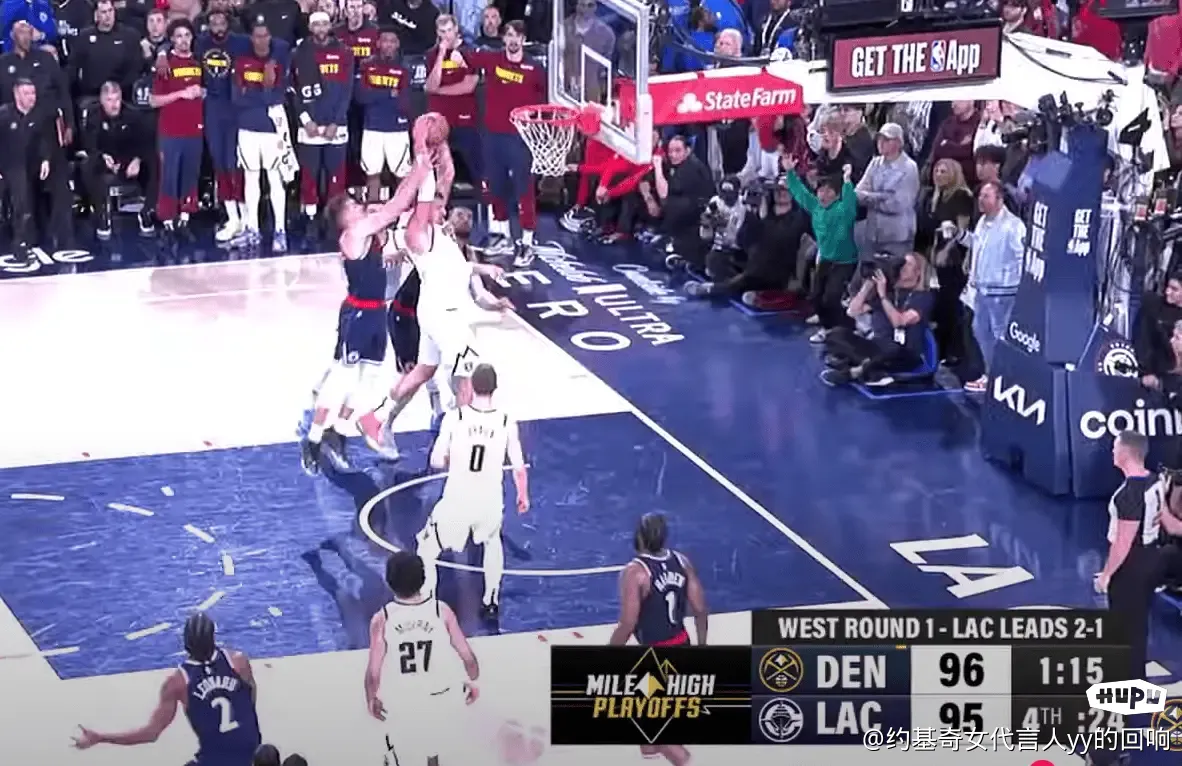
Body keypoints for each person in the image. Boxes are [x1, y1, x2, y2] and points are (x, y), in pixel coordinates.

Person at [301, 154, 438, 474]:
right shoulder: (353, 233)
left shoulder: (367, 231)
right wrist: (418, 171)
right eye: (352, 205)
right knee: (343, 377)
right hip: (358, 315)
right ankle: (314, 439)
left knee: (367, 380)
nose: (358, 204)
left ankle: (339, 432)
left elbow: (391, 210)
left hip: (377, 313)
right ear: (343, 218)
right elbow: (395, 207)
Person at [71, 613, 262, 765]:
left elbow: (151, 733)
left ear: (186, 642)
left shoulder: (178, 682)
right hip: (251, 753)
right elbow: (250, 697)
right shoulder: (238, 662)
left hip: (214, 760)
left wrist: (101, 737)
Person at [415, 363, 528, 617]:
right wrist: (523, 495)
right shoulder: (506, 421)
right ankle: (491, 599)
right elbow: (519, 467)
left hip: (458, 500)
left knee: (427, 547)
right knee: (492, 542)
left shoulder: (455, 418)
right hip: (489, 501)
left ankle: (428, 600)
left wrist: (451, 459)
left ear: (472, 386)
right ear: (495, 388)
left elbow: (436, 461)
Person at [1088, 430, 1166, 766]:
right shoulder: (1156, 481)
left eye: (1114, 446)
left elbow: (1122, 542)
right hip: (1151, 561)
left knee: (1122, 639)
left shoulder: (1127, 494)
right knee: (1138, 630)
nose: (1111, 451)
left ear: (1126, 453)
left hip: (1131, 569)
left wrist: (1107, 575)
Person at [608, 512, 708, 766]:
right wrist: (702, 645)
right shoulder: (682, 561)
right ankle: (650, 749)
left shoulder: (635, 572)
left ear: (639, 536)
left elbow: (628, 623)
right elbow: (699, 608)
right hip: (681, 643)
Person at [365, 551, 480, 766]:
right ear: (424, 578)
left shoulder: (382, 619)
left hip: (403, 699)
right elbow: (468, 657)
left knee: (396, 749)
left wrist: (372, 698)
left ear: (389, 581)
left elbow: (374, 673)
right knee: (433, 749)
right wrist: (472, 680)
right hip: (439, 696)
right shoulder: (441, 610)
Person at [476, 20, 545, 264]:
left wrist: (534, 116)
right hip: (493, 135)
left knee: (523, 189)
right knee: (496, 187)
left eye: (518, 36)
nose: (513, 40)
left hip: (520, 138)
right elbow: (465, 58)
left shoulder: (534, 68)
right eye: (509, 35)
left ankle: (527, 242)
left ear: (524, 40)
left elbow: (543, 102)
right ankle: (503, 237)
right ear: (503, 38)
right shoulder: (491, 60)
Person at [820, 252, 935, 387]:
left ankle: (853, 372)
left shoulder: (924, 297)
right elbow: (853, 311)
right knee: (836, 334)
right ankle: (872, 371)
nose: (903, 267)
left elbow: (899, 322)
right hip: (877, 346)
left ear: (918, 272)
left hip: (905, 353)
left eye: (909, 264)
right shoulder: (891, 293)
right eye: (903, 263)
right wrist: (868, 284)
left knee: (890, 349)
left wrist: (883, 296)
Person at [293, 11, 354, 237]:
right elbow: (294, 91)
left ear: (330, 26)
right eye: (316, 24)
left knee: (336, 176)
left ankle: (333, 220)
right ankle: (310, 217)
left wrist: (336, 122)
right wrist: (306, 120)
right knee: (309, 174)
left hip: (336, 126)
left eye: (324, 24)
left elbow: (347, 91)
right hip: (309, 126)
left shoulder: (344, 52)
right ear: (310, 28)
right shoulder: (299, 53)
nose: (320, 28)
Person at [232, 22, 292, 250]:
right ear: (252, 39)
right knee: (251, 179)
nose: (261, 40)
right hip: (247, 128)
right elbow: (236, 98)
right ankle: (253, 229)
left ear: (269, 38)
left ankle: (280, 230)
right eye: (257, 36)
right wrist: (263, 93)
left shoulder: (278, 63)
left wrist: (260, 89)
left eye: (264, 36)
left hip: (271, 130)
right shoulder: (242, 62)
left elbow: (277, 98)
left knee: (275, 178)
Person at [196, 8, 251, 243]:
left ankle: (247, 217)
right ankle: (232, 218)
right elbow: (176, 47)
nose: (218, 25)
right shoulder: (201, 43)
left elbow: (270, 47)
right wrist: (161, 54)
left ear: (228, 23)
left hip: (236, 108)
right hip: (213, 109)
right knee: (220, 164)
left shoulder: (241, 42)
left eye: (221, 21)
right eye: (213, 22)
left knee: (235, 163)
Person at [150, 19, 205, 240]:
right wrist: (181, 94)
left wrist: (201, 93)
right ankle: (167, 221)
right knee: (169, 176)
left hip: (194, 129)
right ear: (172, 39)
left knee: (190, 175)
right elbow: (153, 100)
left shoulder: (198, 62)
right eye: (179, 36)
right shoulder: (165, 64)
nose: (183, 40)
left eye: (187, 35)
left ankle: (185, 218)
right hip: (171, 131)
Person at [81, 81, 157, 237]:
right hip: (105, 158)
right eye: (109, 100)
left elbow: (145, 142)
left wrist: (137, 159)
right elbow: (89, 143)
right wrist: (102, 156)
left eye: (117, 99)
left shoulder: (133, 115)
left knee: (154, 162)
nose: (114, 104)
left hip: (128, 160)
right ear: (102, 100)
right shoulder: (93, 115)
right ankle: (102, 215)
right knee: (87, 165)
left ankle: (146, 211)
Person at [425, 15, 482, 215]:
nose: (446, 36)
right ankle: (439, 213)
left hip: (464, 118)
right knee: (442, 170)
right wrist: (441, 55)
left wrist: (439, 91)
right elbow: (431, 84)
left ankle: (489, 212)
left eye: (449, 30)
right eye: (442, 32)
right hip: (439, 121)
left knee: (477, 168)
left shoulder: (470, 51)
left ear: (456, 29)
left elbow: (469, 86)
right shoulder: (432, 54)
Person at [0, 79, 56, 256]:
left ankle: (34, 234)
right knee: (19, 184)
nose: (32, 97)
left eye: (33, 93)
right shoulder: (4, 116)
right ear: (16, 95)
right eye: (27, 93)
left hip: (31, 164)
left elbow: (44, 140)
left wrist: (45, 159)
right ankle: (20, 238)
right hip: (8, 164)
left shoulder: (39, 115)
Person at [355, 27, 410, 203]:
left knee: (402, 175)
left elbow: (405, 102)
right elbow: (361, 96)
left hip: (397, 128)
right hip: (372, 127)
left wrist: (376, 93)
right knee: (372, 174)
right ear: (378, 43)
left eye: (392, 41)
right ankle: (373, 213)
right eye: (385, 41)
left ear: (398, 44)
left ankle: (403, 214)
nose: (388, 45)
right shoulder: (367, 65)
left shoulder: (405, 68)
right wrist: (387, 93)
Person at [67, 0, 144, 99]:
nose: (108, 15)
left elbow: (135, 68)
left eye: (110, 10)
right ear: (96, 15)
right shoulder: (85, 36)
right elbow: (74, 66)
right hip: (91, 95)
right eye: (104, 12)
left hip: (120, 95)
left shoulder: (129, 35)